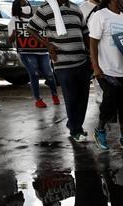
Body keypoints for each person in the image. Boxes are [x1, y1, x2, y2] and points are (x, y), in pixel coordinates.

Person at [27, 0, 91, 142]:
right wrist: (47, 45)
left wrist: (91, 54)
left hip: (82, 60)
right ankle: (76, 129)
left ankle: (74, 123)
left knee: (83, 97)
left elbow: (85, 32)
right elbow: (31, 28)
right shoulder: (45, 9)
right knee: (71, 97)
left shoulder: (76, 8)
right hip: (62, 63)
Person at [89, 0, 123, 151]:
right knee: (109, 102)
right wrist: (96, 67)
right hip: (106, 70)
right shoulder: (100, 15)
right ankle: (99, 131)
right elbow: (93, 43)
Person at [8, 0, 59, 108]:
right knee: (34, 74)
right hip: (27, 53)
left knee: (49, 74)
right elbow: (9, 40)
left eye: (27, 4)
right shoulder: (14, 20)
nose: (26, 6)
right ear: (17, 7)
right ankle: (38, 99)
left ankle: (55, 95)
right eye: (23, 4)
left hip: (42, 51)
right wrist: (14, 34)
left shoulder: (35, 18)